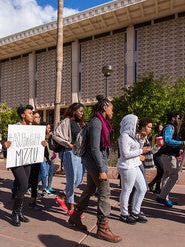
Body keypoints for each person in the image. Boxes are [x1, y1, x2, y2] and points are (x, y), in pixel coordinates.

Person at [68, 95, 122, 243]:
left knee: (89, 190)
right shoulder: (97, 123)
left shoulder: (100, 122)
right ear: (105, 107)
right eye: (111, 108)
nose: (113, 112)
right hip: (95, 163)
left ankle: (75, 216)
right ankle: (102, 229)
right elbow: (94, 149)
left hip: (92, 162)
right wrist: (101, 169)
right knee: (105, 193)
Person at [9, 104, 42, 227]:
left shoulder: (32, 128)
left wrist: (41, 143)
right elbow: (9, 143)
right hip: (17, 161)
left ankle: (19, 212)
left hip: (27, 160)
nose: (32, 115)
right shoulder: (16, 128)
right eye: (30, 113)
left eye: (32, 113)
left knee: (25, 185)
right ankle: (15, 213)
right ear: (23, 115)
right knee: (23, 185)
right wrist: (6, 144)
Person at [53, 103, 85, 216]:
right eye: (80, 111)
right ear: (74, 110)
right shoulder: (66, 122)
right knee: (72, 180)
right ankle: (71, 207)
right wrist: (68, 144)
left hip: (79, 154)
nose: (82, 113)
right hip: (70, 153)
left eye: (82, 111)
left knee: (79, 179)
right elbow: (55, 135)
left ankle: (62, 196)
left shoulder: (78, 124)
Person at [117, 114, 150, 224]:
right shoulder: (124, 136)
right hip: (127, 167)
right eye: (136, 124)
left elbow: (137, 148)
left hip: (134, 165)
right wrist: (141, 152)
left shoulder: (132, 136)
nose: (137, 126)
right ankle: (124, 214)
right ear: (130, 123)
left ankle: (136, 211)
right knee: (127, 190)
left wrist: (141, 140)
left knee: (142, 188)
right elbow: (125, 154)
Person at [155, 112, 185, 207]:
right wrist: (183, 142)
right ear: (173, 118)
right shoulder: (169, 127)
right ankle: (162, 197)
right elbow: (167, 140)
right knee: (174, 176)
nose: (179, 120)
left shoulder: (171, 127)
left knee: (167, 176)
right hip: (169, 156)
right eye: (178, 118)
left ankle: (164, 198)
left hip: (168, 155)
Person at [27, 111, 44, 210]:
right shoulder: (28, 129)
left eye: (39, 117)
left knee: (34, 181)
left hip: (37, 158)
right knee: (28, 180)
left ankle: (33, 201)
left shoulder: (40, 130)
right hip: (28, 159)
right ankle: (17, 194)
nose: (38, 119)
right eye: (36, 117)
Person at [148, 124, 164, 194]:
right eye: (161, 127)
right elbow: (159, 144)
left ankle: (157, 187)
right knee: (162, 170)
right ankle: (151, 184)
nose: (162, 127)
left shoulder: (156, 135)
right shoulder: (158, 136)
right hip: (157, 154)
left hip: (157, 154)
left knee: (160, 171)